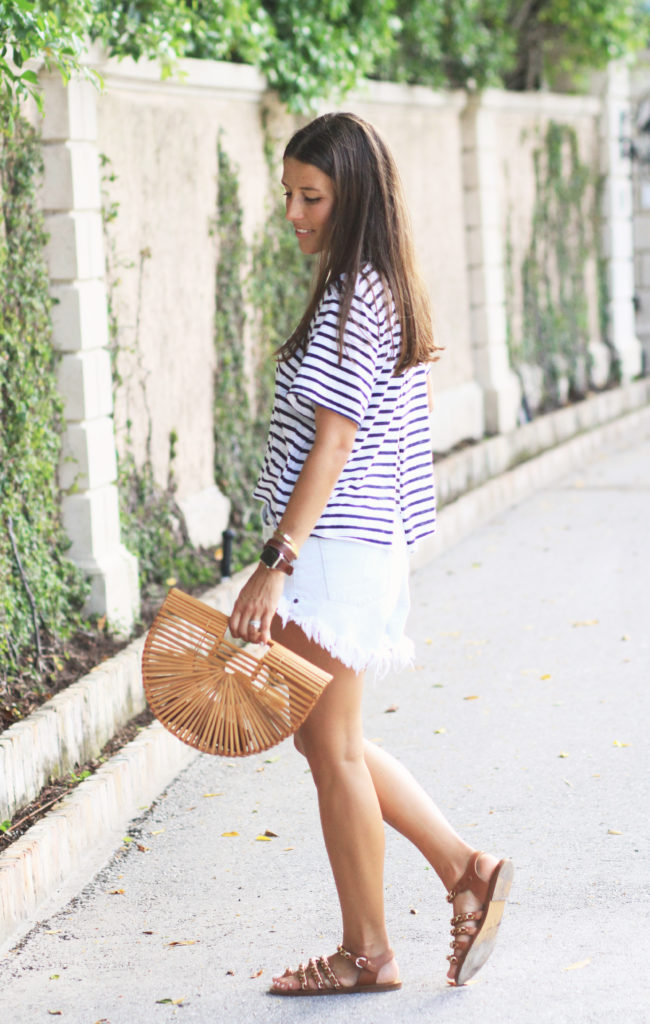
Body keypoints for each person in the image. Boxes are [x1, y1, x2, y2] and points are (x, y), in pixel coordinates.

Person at [229, 111, 513, 996]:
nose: (294, 214)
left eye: (310, 196)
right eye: (290, 195)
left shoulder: (360, 297)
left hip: (328, 552)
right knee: (332, 746)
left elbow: (335, 442)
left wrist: (276, 559)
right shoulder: (373, 286)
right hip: (351, 548)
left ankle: (370, 950)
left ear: (352, 197)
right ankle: (465, 869)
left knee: (335, 753)